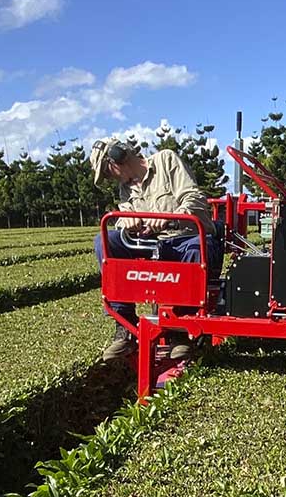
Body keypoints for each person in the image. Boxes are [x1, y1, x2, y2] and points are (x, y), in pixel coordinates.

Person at [90, 137, 220, 362]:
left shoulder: (166, 161)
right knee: (104, 241)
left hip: (183, 238)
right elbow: (124, 215)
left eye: (107, 172)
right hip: (151, 245)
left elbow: (194, 198)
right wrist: (127, 223)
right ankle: (125, 326)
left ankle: (181, 331)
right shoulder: (125, 190)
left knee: (198, 249)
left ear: (117, 158)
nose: (109, 179)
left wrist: (174, 218)